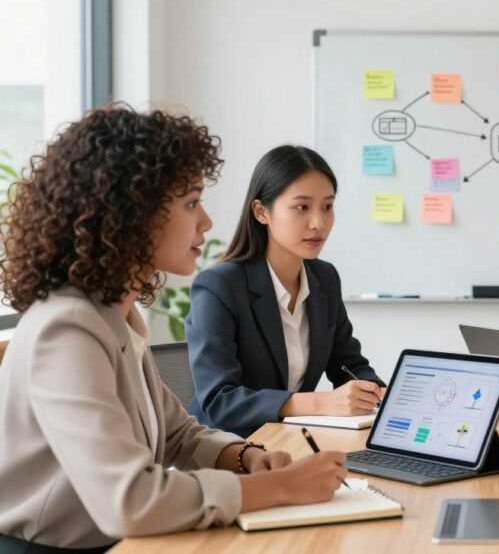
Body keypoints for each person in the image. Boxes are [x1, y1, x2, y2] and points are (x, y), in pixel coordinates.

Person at [0, 107, 348, 552]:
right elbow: (130, 501)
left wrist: (244, 456)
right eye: (190, 203)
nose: (206, 221)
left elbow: (177, 433)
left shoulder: (113, 316)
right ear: (128, 213)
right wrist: (282, 489)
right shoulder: (67, 330)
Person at [186, 145, 385, 437]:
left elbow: (348, 365)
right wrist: (320, 402)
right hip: (223, 448)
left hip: (288, 440)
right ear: (261, 212)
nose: (319, 223)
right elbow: (220, 401)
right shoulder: (220, 286)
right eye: (302, 207)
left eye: (327, 207)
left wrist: (379, 393)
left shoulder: (324, 278)